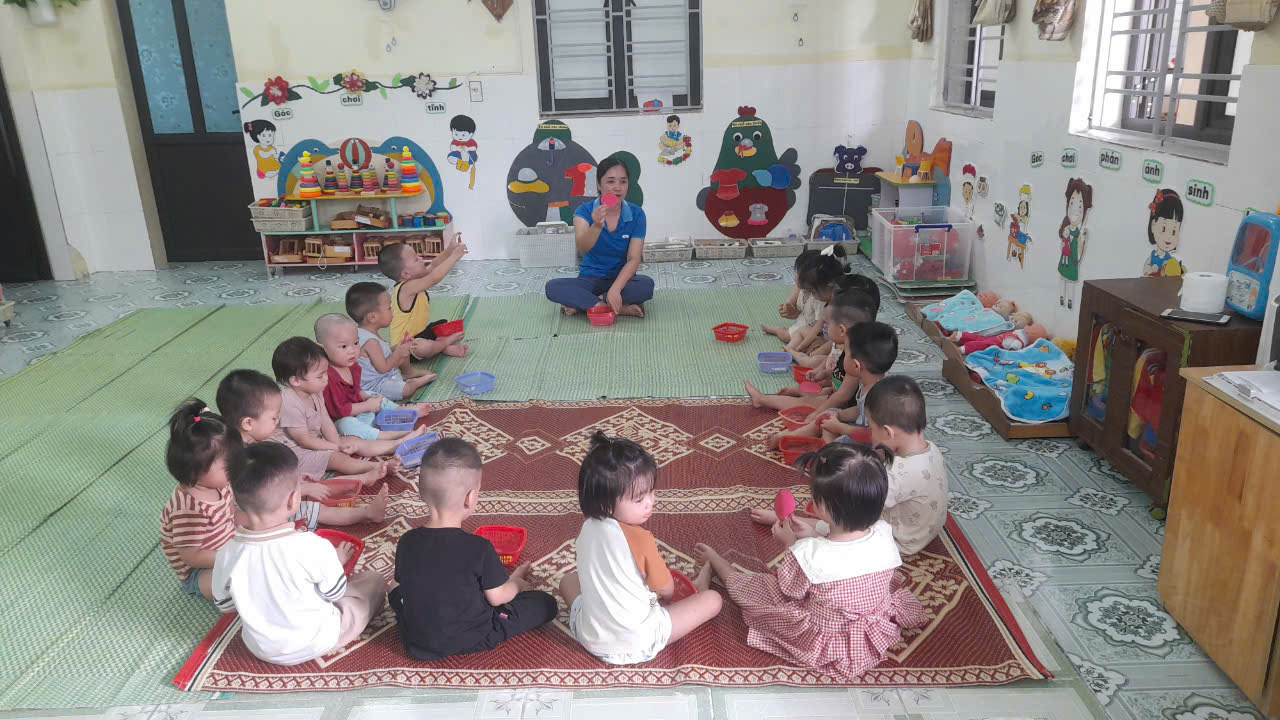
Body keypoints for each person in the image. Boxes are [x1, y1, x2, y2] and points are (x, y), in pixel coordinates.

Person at [695, 443, 925, 680]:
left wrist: (790, 544)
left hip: (827, 633)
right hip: (872, 622)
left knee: (758, 590)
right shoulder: (883, 532)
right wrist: (813, 536)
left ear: (822, 506)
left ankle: (719, 565)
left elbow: (790, 589)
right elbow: (842, 553)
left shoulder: (808, 555)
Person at [212, 442, 388, 666]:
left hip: (262, 649)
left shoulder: (226, 554)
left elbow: (226, 606)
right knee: (373, 581)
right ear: (293, 499)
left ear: (235, 501)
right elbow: (334, 593)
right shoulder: (310, 545)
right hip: (319, 639)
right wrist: (336, 561)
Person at [558, 432, 722, 664]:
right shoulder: (641, 540)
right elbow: (665, 587)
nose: (650, 502)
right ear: (606, 503)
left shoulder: (586, 529)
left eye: (651, 492)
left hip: (592, 639)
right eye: (639, 499)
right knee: (713, 600)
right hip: (641, 640)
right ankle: (699, 589)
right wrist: (670, 596)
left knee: (567, 581)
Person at [390, 439, 557, 661]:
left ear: (421, 492)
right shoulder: (479, 547)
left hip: (417, 640)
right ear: (470, 498)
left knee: (394, 588)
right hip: (474, 637)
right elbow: (498, 598)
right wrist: (517, 583)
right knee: (545, 604)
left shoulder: (407, 541)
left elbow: (403, 585)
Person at [215, 368, 390, 527]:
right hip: (258, 515)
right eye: (274, 418)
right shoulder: (239, 456)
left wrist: (297, 479)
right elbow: (261, 495)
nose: (278, 422)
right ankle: (367, 512)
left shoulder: (250, 442)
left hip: (274, 497)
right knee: (316, 509)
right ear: (248, 423)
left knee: (312, 487)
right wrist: (302, 489)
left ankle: (360, 480)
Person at [270, 337, 398, 485]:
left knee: (352, 440)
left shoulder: (314, 390)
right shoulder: (289, 403)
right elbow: (304, 440)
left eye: (326, 372)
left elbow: (325, 421)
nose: (326, 378)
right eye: (320, 376)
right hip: (293, 453)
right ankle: (377, 467)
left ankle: (397, 443)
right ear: (296, 381)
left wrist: (337, 444)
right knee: (336, 458)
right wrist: (336, 448)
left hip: (312, 443)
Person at [760, 319, 897, 449]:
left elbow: (870, 435)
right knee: (829, 415)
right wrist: (838, 416)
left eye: (845, 353)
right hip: (858, 430)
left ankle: (828, 452)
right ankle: (793, 437)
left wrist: (841, 428)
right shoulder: (867, 382)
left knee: (838, 439)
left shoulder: (877, 398)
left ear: (856, 365)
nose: (842, 357)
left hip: (869, 444)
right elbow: (859, 410)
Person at [545, 158, 654, 318]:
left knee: (646, 285)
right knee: (552, 287)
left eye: (623, 181)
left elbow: (633, 259)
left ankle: (588, 304)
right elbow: (582, 248)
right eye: (610, 181)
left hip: (620, 279)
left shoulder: (637, 214)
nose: (617, 187)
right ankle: (616, 308)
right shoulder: (583, 211)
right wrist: (596, 225)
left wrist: (616, 289)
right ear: (599, 185)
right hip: (590, 279)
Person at [160, 399, 239, 601]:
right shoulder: (189, 510)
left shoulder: (219, 482)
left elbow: (232, 512)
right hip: (201, 572)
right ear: (196, 470)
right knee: (236, 584)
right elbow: (191, 557)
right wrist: (231, 558)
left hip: (229, 546)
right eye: (228, 465)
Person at [745, 289, 876, 409]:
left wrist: (817, 414)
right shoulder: (848, 348)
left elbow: (843, 397)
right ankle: (801, 393)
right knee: (822, 392)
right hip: (835, 392)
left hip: (846, 407)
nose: (825, 328)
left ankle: (762, 399)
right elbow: (841, 375)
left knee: (805, 403)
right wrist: (825, 373)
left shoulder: (855, 360)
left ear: (842, 330)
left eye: (828, 324)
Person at [863, 376, 948, 556]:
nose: (870, 435)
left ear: (888, 432)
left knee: (845, 520)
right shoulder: (933, 449)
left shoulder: (898, 473)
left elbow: (866, 506)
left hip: (900, 541)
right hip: (924, 531)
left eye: (871, 428)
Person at [313, 313, 429, 441]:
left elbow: (355, 391)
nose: (352, 350)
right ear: (322, 349)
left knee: (372, 393)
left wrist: (366, 398)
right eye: (344, 346)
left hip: (359, 411)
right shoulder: (327, 377)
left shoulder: (352, 365)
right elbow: (339, 411)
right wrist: (367, 406)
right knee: (346, 424)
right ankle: (383, 436)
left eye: (356, 343)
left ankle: (401, 411)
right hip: (339, 419)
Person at [377, 239, 470, 361]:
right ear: (406, 274)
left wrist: (450, 249)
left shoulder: (416, 280)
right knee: (424, 347)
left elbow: (434, 265)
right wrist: (454, 257)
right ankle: (444, 344)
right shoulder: (406, 288)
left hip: (421, 334)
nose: (421, 258)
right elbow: (433, 278)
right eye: (416, 259)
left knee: (445, 325)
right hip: (406, 346)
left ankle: (440, 347)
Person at [345, 282, 436, 401]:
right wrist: (398, 353)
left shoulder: (362, 333)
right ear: (372, 317)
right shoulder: (371, 342)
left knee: (400, 348)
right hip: (375, 384)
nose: (392, 311)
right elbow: (384, 368)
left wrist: (399, 348)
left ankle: (408, 373)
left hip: (384, 375)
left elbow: (383, 353)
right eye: (389, 308)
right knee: (406, 391)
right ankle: (414, 383)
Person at [762, 250, 821, 349]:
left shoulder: (819, 299)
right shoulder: (802, 288)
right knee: (788, 335)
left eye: (798, 274)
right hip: (802, 323)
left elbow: (820, 328)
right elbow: (793, 305)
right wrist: (789, 308)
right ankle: (778, 331)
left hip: (812, 331)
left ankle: (783, 340)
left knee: (790, 337)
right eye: (797, 272)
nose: (796, 276)